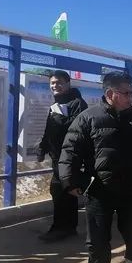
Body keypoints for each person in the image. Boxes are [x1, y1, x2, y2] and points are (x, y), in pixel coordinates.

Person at [59, 72, 132, 263]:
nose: (131, 97)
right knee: (97, 238)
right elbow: (70, 151)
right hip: (99, 189)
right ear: (110, 93)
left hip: (130, 189)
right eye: (126, 93)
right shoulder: (88, 117)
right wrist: (69, 180)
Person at [37, 70, 88, 242]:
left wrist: (59, 119)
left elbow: (78, 129)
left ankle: (61, 228)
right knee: (62, 191)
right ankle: (67, 227)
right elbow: (50, 129)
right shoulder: (57, 103)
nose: (55, 86)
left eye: (59, 82)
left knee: (62, 190)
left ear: (68, 83)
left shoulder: (78, 103)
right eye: (52, 83)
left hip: (69, 157)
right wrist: (43, 147)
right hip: (57, 156)